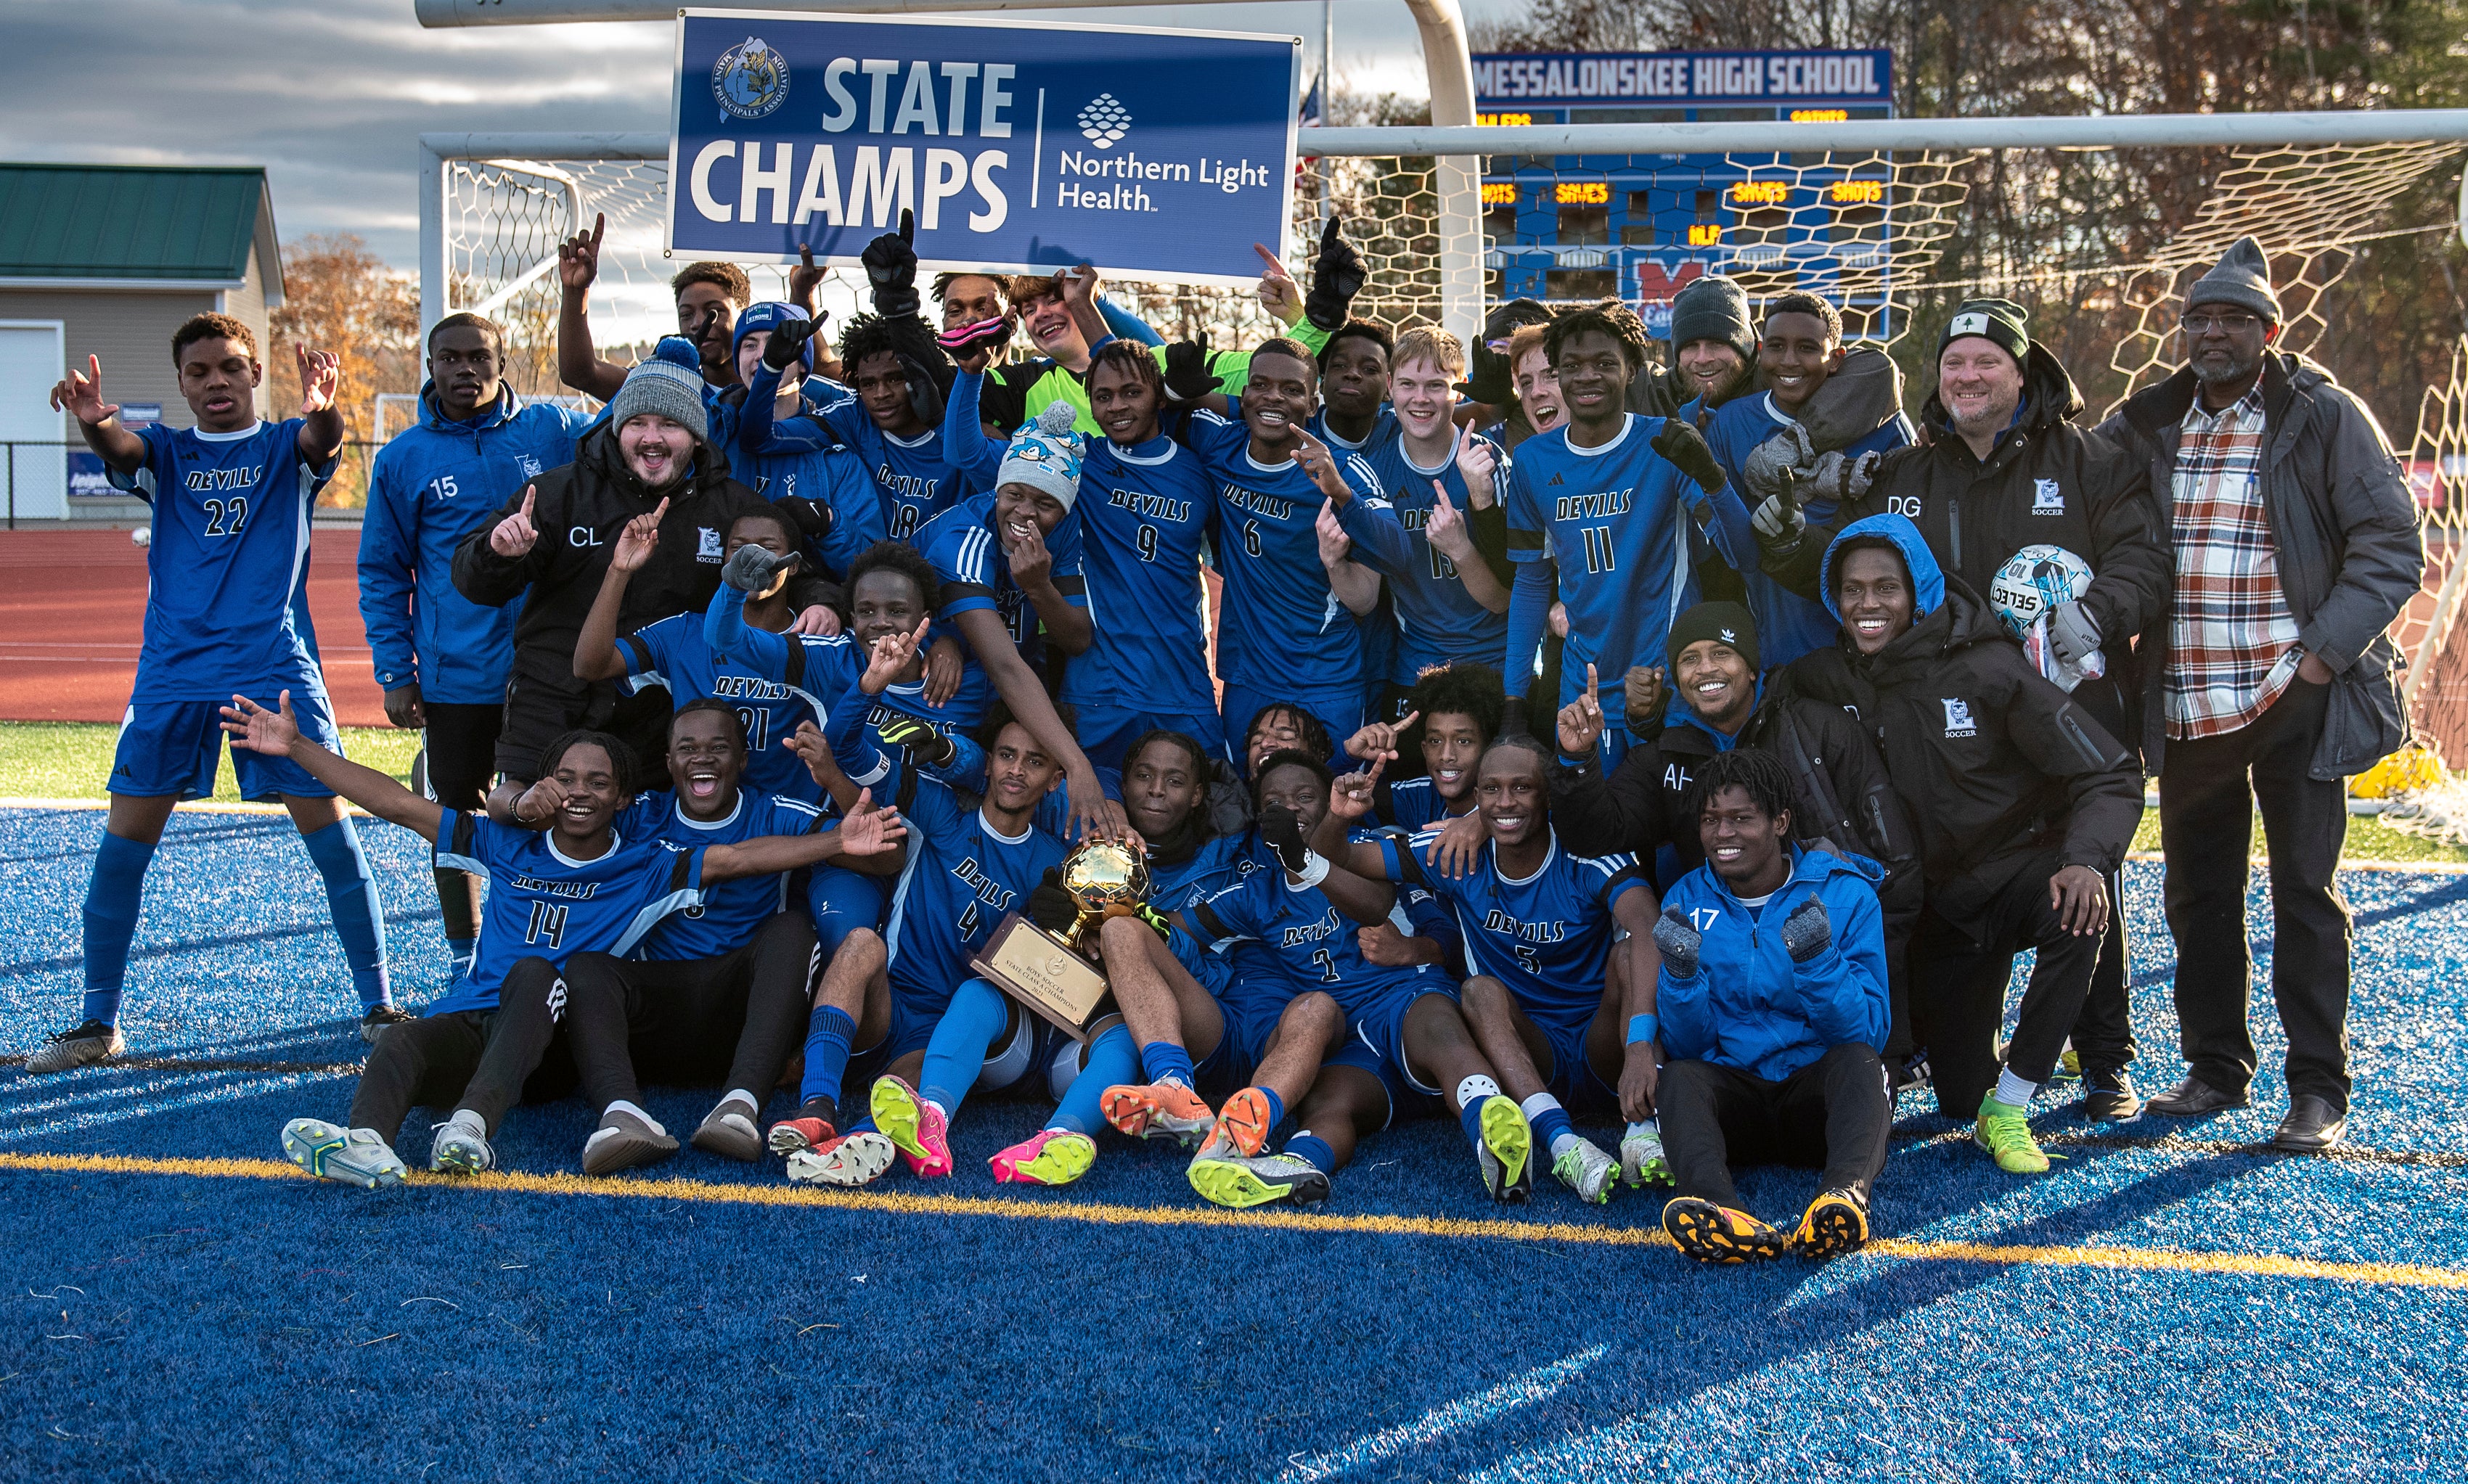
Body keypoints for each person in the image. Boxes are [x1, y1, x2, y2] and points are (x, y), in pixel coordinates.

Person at [1753, 297, 2169, 1123]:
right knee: (1946, 878)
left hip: (2059, 705)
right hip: (1953, 720)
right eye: (1954, 363)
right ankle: (1930, 1038)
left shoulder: (2088, 459)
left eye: (1987, 361)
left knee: (2083, 871)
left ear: (2023, 371)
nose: (1968, 376)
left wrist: (2100, 610)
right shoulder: (1906, 472)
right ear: (1937, 377)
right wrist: (1788, 544)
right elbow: (1856, 578)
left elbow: (2145, 559)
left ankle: (2103, 1054)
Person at [232, 697, 899, 1187]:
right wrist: (298, 747)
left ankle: (469, 1128)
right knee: (404, 1038)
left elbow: (740, 857)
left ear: (624, 800)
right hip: (476, 1019)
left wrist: (835, 840)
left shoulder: (641, 863)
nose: (582, 792)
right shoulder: (504, 842)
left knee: (537, 973)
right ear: (545, 787)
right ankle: (366, 1142)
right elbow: (396, 804)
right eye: (568, 780)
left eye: (599, 782)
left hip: (548, 1037)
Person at [2095, 237, 2423, 1152]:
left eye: (2234, 319)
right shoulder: (2146, 420)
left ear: (2269, 331)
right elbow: (2072, 489)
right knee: (2198, 893)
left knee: (2304, 893)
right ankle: (2214, 1064)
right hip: (2186, 696)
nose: (2213, 333)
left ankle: (2316, 1086)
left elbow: (2391, 545)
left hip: (2293, 692)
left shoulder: (2323, 415)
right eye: (2198, 318)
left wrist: (2319, 656)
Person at [28, 320, 400, 1075]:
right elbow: (121, 451)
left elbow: (322, 439)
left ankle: (379, 1007)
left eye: (230, 367)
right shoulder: (167, 452)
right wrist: (94, 421)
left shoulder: (286, 447)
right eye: (198, 372)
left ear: (255, 373)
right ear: (182, 383)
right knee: (123, 845)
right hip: (172, 671)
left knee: (332, 840)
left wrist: (325, 405)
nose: (215, 381)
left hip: (271, 667)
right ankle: (98, 1021)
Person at [1782, 515, 2139, 1174]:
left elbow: (2110, 773)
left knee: (2081, 909)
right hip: (1932, 918)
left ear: (1919, 589)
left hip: (2011, 877)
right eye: (1853, 589)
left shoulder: (1989, 670)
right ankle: (1976, 1075)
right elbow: (1749, 704)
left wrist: (2086, 859)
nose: (1867, 604)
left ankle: (2013, 1101)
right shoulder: (1826, 677)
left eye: (1885, 588)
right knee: (1956, 1096)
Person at [1548, 602, 1924, 1077]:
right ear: (1676, 678)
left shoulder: (1819, 728)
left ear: (1751, 668)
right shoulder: (1667, 752)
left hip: (1835, 983)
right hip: (1729, 1010)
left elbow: (1896, 865)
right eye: (1690, 659)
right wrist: (1576, 760)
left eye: (1721, 653)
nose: (1706, 668)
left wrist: (1890, 1036)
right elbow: (1596, 833)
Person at [450, 351, 838, 790]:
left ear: (696, 436)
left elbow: (790, 566)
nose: (651, 439)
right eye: (637, 423)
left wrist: (820, 601)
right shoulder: (561, 493)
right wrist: (497, 554)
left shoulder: (732, 507)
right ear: (618, 428)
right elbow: (473, 582)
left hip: (663, 717)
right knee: (530, 820)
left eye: (669, 424)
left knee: (645, 828)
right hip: (553, 700)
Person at [551, 700, 899, 1174]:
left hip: (745, 1023)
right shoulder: (641, 815)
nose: (702, 758)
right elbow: (553, 820)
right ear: (669, 761)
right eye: (687, 748)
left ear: (743, 760)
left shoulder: (772, 811)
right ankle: (620, 1114)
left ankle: (740, 1106)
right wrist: (514, 802)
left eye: (718, 747)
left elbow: (886, 856)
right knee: (585, 966)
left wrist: (835, 785)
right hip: (657, 1017)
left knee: (793, 929)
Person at [1177, 752, 1537, 1208]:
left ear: (1328, 802)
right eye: (1275, 803)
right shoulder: (1257, 892)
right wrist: (1111, 913)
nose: (1291, 809)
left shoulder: (1369, 845)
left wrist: (1409, 950)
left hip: (1403, 998)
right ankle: (1297, 1164)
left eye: (1305, 797)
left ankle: (1491, 1125)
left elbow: (1409, 919)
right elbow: (1174, 929)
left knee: (1438, 1028)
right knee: (1328, 1103)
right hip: (1350, 1038)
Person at [1318, 737, 1661, 1203]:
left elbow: (1648, 926)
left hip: (1604, 1043)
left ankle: (1642, 1132)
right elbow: (1339, 856)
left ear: (1547, 796)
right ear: (1476, 798)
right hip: (1531, 1052)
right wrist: (1338, 818)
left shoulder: (1585, 852)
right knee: (1479, 990)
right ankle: (1563, 1145)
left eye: (1522, 787)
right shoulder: (1455, 855)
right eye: (1492, 789)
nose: (1505, 802)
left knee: (1628, 956)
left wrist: (1639, 1046)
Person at [361, 311, 595, 985]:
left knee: (561, 801)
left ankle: (548, 936)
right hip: (457, 674)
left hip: (551, 668)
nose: (465, 369)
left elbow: (628, 436)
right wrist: (395, 671)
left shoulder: (554, 429)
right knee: (455, 814)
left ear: (502, 362)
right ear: (430, 366)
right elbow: (382, 570)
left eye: (479, 357)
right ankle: (464, 952)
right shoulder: (403, 459)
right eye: (450, 358)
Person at [764, 702, 1080, 1186]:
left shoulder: (1053, 866)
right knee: (861, 943)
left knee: (912, 1086)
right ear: (988, 763)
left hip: (944, 1028)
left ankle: (859, 1142)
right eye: (1006, 755)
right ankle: (817, 1109)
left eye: (1034, 761)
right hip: (884, 1003)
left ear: (1056, 779)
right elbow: (852, 751)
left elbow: (1047, 977)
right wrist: (874, 693)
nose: (1016, 770)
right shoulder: (941, 811)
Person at [1648, 750, 1894, 1264]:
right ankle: (1720, 1212)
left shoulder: (1846, 895)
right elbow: (1689, 1045)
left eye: (1741, 818)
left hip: (1814, 1104)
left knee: (1862, 1066)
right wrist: (1681, 977)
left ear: (1780, 822)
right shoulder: (1685, 898)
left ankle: (1842, 1198)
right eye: (1711, 820)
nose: (1723, 834)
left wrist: (1818, 961)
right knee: (1679, 1078)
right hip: (1736, 1105)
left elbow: (1866, 1033)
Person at [1499, 301, 1756, 771]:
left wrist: (1711, 477)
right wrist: (1515, 702)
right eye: (1572, 366)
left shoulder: (1667, 442)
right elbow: (1532, 583)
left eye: (1604, 363)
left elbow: (1744, 556)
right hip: (1583, 694)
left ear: (1632, 369)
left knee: (1670, 818)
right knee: (1587, 815)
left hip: (1669, 687)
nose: (1587, 377)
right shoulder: (1533, 461)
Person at [944, 338, 1224, 766]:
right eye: (1103, 396)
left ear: (1158, 395)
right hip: (1097, 690)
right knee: (1089, 804)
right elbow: (965, 452)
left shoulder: (1199, 471)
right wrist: (969, 375)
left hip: (1182, 684)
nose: (1117, 406)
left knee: (1208, 800)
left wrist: (1189, 398)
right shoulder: (1072, 463)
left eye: (1132, 392)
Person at [1181, 338, 1413, 755]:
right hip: (1248, 674)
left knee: (1331, 787)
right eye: (1260, 385)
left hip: (1324, 675)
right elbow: (1150, 407)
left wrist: (1340, 494)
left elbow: (1399, 555)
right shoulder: (1217, 443)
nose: (1273, 397)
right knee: (1249, 787)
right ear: (1244, 395)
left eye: (1291, 390)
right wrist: (1179, 387)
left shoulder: (1342, 468)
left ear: (1312, 405)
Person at [1699, 292, 1916, 671]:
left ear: (1837, 358)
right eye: (1776, 346)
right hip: (1775, 648)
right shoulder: (1730, 424)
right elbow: (1731, 542)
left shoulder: (1884, 426)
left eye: (1807, 348)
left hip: (1870, 649)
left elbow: (1905, 533)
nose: (1789, 361)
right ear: (1761, 351)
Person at [1357, 330, 1513, 721]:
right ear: (1389, 386)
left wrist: (1460, 548)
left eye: (1436, 386)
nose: (1420, 398)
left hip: (1493, 657)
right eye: (1408, 384)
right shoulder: (1374, 469)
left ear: (1460, 389)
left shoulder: (1491, 463)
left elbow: (1503, 600)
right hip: (1416, 661)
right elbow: (1364, 594)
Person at [1633, 274, 1762, 419]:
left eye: (1717, 343)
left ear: (1745, 348)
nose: (1703, 359)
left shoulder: (1773, 391)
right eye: (1691, 346)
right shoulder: (1647, 393)